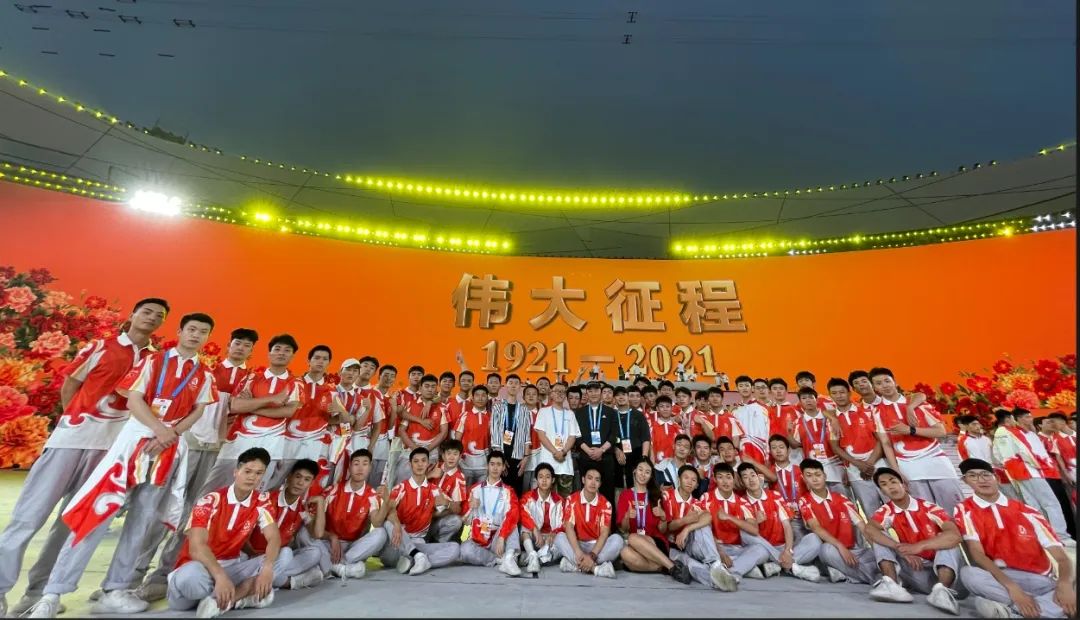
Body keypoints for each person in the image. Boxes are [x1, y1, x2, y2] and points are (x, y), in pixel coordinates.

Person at [35, 313, 218, 617]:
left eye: (203, 331)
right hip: (134, 443)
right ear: (180, 331)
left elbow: (198, 411)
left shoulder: (204, 374)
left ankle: (116, 588)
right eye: (192, 329)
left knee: (142, 520)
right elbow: (134, 400)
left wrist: (171, 434)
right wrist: (159, 430)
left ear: (208, 337)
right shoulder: (153, 361)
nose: (196, 335)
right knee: (98, 513)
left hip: (168, 449)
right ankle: (54, 592)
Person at [0, 297, 168, 618]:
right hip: (70, 441)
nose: (151, 317)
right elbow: (71, 384)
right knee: (27, 518)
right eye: (146, 311)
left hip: (109, 451)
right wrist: (74, 420)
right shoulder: (100, 347)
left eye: (158, 315)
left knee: (69, 524)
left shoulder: (154, 361)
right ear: (133, 314)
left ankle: (36, 594)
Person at [134, 327, 259, 603]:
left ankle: (163, 576)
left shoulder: (251, 380)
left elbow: (243, 409)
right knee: (165, 508)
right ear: (228, 344)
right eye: (237, 343)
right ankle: (134, 576)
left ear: (252, 351)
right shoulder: (207, 370)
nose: (240, 348)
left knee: (195, 515)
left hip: (220, 451)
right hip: (187, 443)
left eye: (247, 345)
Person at [165, 447, 285, 618]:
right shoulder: (210, 501)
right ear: (236, 472)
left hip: (232, 570)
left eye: (259, 473)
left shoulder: (261, 502)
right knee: (190, 577)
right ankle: (241, 594)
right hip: (202, 571)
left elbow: (274, 538)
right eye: (247, 471)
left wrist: (267, 568)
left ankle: (223, 601)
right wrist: (220, 577)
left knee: (284, 555)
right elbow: (196, 548)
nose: (252, 477)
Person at [954, 458, 1076, 619]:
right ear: (965, 481)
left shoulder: (1027, 511)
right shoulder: (965, 509)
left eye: (986, 474)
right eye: (973, 476)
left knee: (1071, 587)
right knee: (969, 574)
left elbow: (1061, 557)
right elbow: (977, 554)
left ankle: (1010, 611)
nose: (981, 480)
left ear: (997, 478)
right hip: (1000, 577)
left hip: (1039, 580)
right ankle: (1040, 609)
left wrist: (1064, 584)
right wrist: (1013, 589)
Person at [205, 334, 302, 494]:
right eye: (277, 349)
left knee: (253, 495)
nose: (281, 353)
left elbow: (288, 411)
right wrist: (272, 400)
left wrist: (250, 406)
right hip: (237, 442)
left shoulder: (295, 383)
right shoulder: (252, 377)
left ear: (292, 356)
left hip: (271, 445)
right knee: (213, 490)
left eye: (287, 350)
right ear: (269, 353)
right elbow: (235, 406)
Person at [862, 467, 962, 614]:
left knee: (948, 540)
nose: (890, 486)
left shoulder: (929, 508)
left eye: (893, 481)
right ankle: (891, 585)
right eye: (884, 484)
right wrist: (899, 548)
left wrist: (919, 546)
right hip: (917, 570)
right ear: (882, 491)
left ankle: (942, 591)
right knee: (879, 536)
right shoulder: (886, 511)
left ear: (904, 484)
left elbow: (955, 535)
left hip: (945, 573)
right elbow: (869, 530)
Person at [869, 367, 964, 516]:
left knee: (956, 511)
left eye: (887, 381)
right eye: (879, 383)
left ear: (895, 382)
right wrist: (896, 471)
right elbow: (886, 444)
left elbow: (940, 432)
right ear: (874, 388)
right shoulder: (876, 412)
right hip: (909, 468)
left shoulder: (917, 403)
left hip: (937, 462)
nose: (884, 385)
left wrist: (911, 430)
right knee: (925, 514)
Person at [991, 408, 1074, 544]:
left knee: (1034, 505)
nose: (1031, 419)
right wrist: (1036, 464)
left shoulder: (1015, 432)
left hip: (1022, 472)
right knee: (1050, 503)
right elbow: (1018, 453)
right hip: (1028, 471)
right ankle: (1060, 535)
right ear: (1012, 419)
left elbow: (999, 455)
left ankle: (1046, 535)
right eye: (1028, 417)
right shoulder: (1008, 432)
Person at [379, 447, 460, 576]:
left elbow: (456, 509)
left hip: (419, 542)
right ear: (410, 464)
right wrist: (397, 525)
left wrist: (447, 503)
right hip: (399, 541)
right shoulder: (401, 487)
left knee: (455, 549)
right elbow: (388, 511)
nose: (420, 464)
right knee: (389, 525)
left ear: (428, 464)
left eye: (423, 461)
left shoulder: (434, 490)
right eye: (416, 461)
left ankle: (415, 560)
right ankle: (416, 556)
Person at [797, 458, 879, 585]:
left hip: (853, 550)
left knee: (880, 552)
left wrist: (878, 551)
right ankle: (875, 578)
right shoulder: (804, 501)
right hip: (831, 550)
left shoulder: (842, 498)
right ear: (804, 479)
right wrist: (840, 546)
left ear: (825, 476)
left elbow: (862, 526)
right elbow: (816, 527)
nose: (814, 479)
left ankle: (846, 574)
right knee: (827, 550)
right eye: (809, 475)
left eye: (818, 475)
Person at [249, 459, 327, 591]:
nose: (300, 483)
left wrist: (320, 502)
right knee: (286, 553)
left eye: (307, 479)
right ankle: (290, 582)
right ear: (289, 476)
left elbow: (318, 534)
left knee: (314, 553)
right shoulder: (267, 499)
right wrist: (252, 552)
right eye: (298, 476)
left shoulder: (301, 509)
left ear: (311, 483)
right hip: (254, 556)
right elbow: (245, 533)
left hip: (278, 559)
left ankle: (263, 580)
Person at [736, 463, 821, 582]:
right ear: (741, 482)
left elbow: (787, 526)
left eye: (753, 475)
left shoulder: (775, 496)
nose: (750, 480)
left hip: (782, 547)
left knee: (814, 539)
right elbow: (747, 535)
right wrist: (755, 522)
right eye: (745, 477)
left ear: (759, 477)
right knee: (745, 533)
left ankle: (777, 565)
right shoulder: (741, 502)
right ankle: (791, 566)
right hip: (763, 549)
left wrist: (788, 550)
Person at [615, 459, 692, 583]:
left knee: (632, 538)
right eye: (640, 470)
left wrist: (662, 516)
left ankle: (671, 567)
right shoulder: (625, 495)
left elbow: (663, 530)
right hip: (637, 546)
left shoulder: (657, 495)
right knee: (624, 553)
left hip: (656, 542)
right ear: (634, 471)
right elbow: (624, 529)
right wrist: (627, 517)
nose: (643, 474)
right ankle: (665, 566)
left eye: (647, 472)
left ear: (651, 476)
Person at [660, 465, 734, 591]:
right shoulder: (667, 496)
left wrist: (687, 529)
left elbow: (708, 517)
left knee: (703, 525)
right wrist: (686, 520)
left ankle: (715, 564)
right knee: (691, 564)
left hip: (689, 545)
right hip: (671, 549)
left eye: (693, 480)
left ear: (696, 485)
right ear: (679, 479)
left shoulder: (696, 503)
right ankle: (717, 581)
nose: (689, 482)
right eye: (686, 478)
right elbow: (667, 527)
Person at [698, 463, 770, 590]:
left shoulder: (742, 502)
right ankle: (742, 568)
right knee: (701, 539)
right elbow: (704, 528)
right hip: (715, 548)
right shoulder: (707, 498)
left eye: (728, 477)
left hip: (737, 549)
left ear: (734, 479)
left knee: (762, 551)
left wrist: (730, 517)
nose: (725, 481)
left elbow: (754, 530)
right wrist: (720, 552)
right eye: (720, 477)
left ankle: (729, 572)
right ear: (714, 479)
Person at [277, 345, 339, 492]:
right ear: (308, 361)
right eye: (317, 358)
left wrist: (337, 413)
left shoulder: (331, 390)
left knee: (305, 485)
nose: (320, 361)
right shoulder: (294, 383)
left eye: (324, 359)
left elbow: (335, 419)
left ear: (329, 363)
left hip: (314, 443)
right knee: (279, 481)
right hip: (288, 440)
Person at [321, 449, 390, 579]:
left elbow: (376, 522)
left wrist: (386, 501)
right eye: (356, 463)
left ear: (370, 468)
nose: (360, 468)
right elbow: (316, 524)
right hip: (330, 543)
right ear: (349, 467)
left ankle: (338, 565)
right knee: (308, 536)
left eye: (365, 464)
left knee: (381, 533)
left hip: (354, 547)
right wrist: (331, 537)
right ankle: (343, 568)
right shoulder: (333, 489)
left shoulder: (371, 495)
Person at [825, 378, 887, 515]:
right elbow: (835, 448)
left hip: (880, 466)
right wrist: (858, 464)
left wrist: (869, 463)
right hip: (856, 472)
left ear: (849, 393)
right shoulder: (832, 421)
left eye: (842, 392)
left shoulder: (867, 411)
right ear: (830, 396)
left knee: (894, 507)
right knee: (871, 513)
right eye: (834, 393)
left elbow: (881, 440)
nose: (839, 396)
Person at [554, 465, 625, 578]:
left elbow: (604, 533)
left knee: (618, 540)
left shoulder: (605, 504)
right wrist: (578, 552)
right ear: (583, 480)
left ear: (600, 484)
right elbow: (569, 527)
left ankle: (575, 565)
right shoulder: (571, 500)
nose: (593, 483)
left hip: (596, 547)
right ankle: (595, 569)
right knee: (559, 537)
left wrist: (592, 555)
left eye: (597, 480)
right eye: (590, 478)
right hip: (578, 544)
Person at [459, 451, 523, 576]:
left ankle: (509, 557)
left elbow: (512, 515)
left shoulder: (508, 491)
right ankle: (500, 560)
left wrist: (502, 537)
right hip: (478, 536)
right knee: (465, 550)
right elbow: (465, 521)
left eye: (499, 464)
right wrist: (470, 507)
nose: (495, 468)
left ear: (503, 467)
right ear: (487, 466)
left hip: (497, 539)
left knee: (513, 525)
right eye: (492, 464)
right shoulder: (474, 489)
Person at [789, 387, 845, 495]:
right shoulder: (797, 422)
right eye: (804, 398)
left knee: (843, 500)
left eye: (811, 397)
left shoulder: (830, 419)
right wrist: (789, 433)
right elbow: (795, 444)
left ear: (816, 399)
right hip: (814, 470)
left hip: (836, 467)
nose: (808, 400)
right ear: (800, 402)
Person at [395, 374, 448, 485]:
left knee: (427, 485)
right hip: (410, 451)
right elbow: (401, 430)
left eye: (433, 386)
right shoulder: (410, 404)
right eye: (427, 386)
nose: (430, 389)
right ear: (420, 388)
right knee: (402, 481)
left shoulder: (442, 407)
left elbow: (444, 433)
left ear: (436, 389)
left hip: (431, 453)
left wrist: (427, 449)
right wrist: (414, 448)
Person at [574, 381, 619, 505]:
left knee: (607, 493)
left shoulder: (611, 412)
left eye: (596, 390)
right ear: (586, 393)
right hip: (585, 457)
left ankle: (608, 517)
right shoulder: (579, 412)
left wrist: (601, 450)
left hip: (606, 458)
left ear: (601, 392)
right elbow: (576, 435)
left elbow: (614, 435)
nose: (593, 394)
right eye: (590, 391)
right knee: (586, 493)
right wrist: (589, 451)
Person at [533, 381, 580, 497]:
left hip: (565, 464)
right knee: (546, 498)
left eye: (562, 392)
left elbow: (572, 436)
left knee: (565, 498)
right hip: (547, 463)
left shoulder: (570, 414)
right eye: (557, 391)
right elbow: (541, 435)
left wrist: (563, 452)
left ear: (565, 396)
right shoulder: (543, 412)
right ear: (551, 394)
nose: (560, 393)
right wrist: (555, 452)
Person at [956, 414, 1019, 500]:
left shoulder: (986, 439)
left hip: (996, 471)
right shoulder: (963, 441)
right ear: (966, 426)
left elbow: (995, 455)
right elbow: (964, 460)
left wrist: (1001, 466)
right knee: (990, 497)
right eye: (974, 424)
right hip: (981, 473)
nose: (977, 426)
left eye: (978, 424)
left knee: (1012, 495)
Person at [518, 463, 564, 574]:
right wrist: (534, 529)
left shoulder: (559, 500)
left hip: (550, 540)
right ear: (536, 480)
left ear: (553, 480)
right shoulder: (528, 497)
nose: (544, 480)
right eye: (540, 477)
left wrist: (554, 533)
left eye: (547, 477)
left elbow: (564, 522)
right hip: (534, 538)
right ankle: (532, 554)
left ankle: (532, 559)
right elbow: (523, 515)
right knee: (525, 527)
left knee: (563, 538)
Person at [490, 374, 531, 494]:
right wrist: (500, 459)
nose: (513, 385)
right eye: (510, 383)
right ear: (506, 385)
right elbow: (494, 433)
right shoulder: (497, 407)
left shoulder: (524, 409)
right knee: (500, 492)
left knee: (516, 492)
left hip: (518, 457)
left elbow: (527, 435)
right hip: (501, 456)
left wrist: (526, 458)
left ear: (520, 387)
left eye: (516, 383)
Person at [426, 439, 467, 543]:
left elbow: (457, 509)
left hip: (437, 518)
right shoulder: (433, 466)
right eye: (448, 453)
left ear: (460, 457)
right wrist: (430, 475)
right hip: (419, 514)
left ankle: (438, 543)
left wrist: (446, 503)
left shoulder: (460, 478)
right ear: (443, 455)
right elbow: (412, 484)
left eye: (455, 454)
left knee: (456, 521)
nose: (451, 457)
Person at [452, 385, 492, 486]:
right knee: (464, 492)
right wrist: (457, 459)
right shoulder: (464, 415)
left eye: (483, 395)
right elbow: (457, 440)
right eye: (477, 395)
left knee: (480, 493)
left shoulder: (492, 417)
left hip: (485, 466)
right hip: (465, 465)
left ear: (487, 398)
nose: (480, 398)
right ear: (472, 398)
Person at [612, 386, 651, 490]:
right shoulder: (611, 415)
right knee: (619, 488)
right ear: (614, 399)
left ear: (628, 397)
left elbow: (646, 438)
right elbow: (608, 438)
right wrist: (615, 450)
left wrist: (644, 458)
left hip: (636, 455)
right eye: (617, 395)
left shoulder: (638, 415)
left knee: (636, 487)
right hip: (617, 457)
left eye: (623, 394)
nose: (621, 397)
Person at [367, 363, 397, 487]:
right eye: (386, 375)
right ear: (379, 376)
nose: (389, 378)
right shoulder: (370, 393)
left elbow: (390, 426)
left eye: (392, 376)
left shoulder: (391, 399)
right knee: (364, 472)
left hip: (383, 441)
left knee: (378, 478)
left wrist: (394, 409)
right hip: (368, 438)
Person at [732, 376, 770, 463]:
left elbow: (769, 431)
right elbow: (735, 435)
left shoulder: (764, 408)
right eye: (741, 386)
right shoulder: (735, 411)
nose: (744, 388)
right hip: (743, 450)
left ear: (752, 388)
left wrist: (768, 451)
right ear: (737, 389)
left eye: (747, 385)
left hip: (761, 448)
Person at [648, 395, 682, 465]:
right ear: (657, 409)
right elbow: (650, 448)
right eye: (662, 406)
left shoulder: (678, 428)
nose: (665, 409)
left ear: (672, 408)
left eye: (667, 406)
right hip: (657, 466)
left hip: (676, 466)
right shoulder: (651, 428)